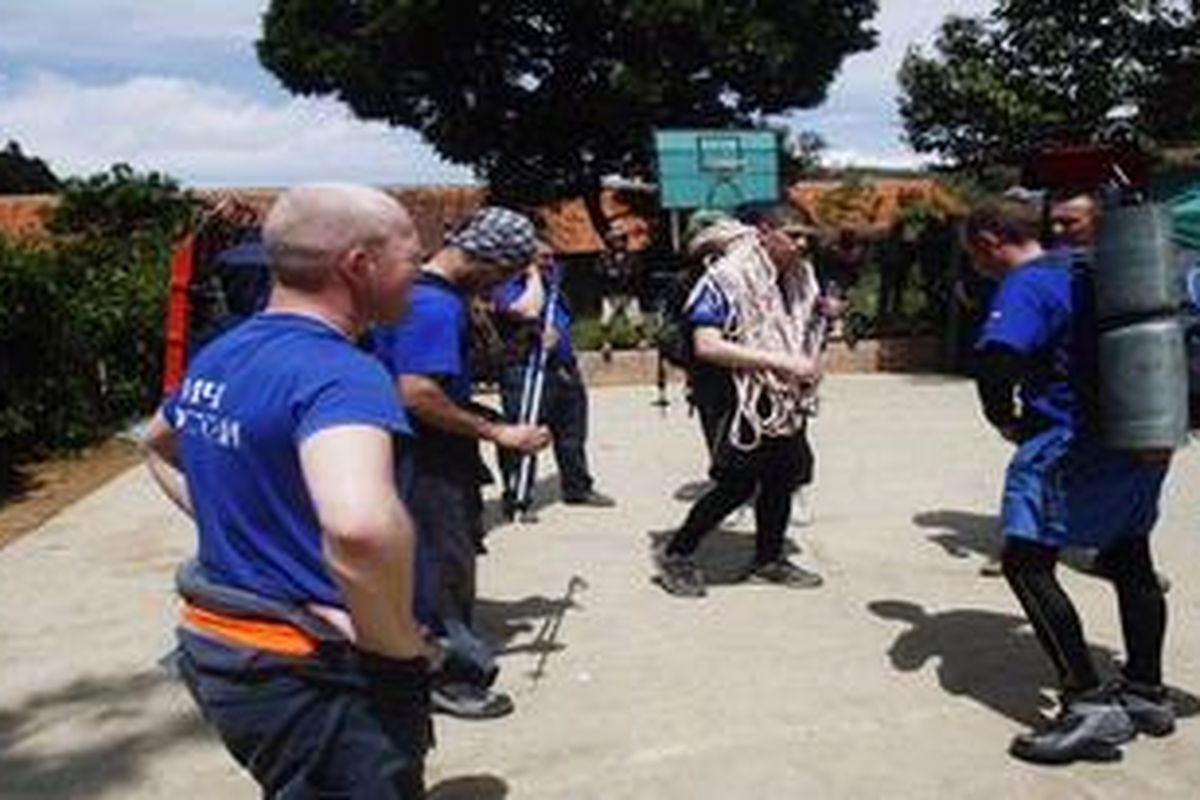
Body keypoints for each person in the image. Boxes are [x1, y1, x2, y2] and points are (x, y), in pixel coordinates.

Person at [142, 184, 435, 797]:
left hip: (223, 652)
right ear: (360, 265)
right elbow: (360, 528)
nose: (421, 273)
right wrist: (393, 644)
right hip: (310, 674)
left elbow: (157, 444)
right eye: (413, 258)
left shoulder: (224, 353)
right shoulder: (342, 374)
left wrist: (239, 528)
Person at [965, 197, 1175, 765]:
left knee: (1025, 562)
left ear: (989, 241)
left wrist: (1005, 418)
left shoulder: (1027, 284)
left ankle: (1087, 702)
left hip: (1066, 442)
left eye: (975, 255)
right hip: (1137, 435)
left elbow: (998, 359)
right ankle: (1146, 692)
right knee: (1130, 558)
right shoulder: (1093, 270)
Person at [373, 206, 551, 718]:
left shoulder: (415, 290)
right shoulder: (434, 306)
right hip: (426, 456)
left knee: (424, 560)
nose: (499, 286)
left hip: (407, 448)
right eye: (503, 274)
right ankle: (450, 676)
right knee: (441, 562)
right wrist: (500, 432)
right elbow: (417, 392)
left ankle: (422, 653)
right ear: (487, 261)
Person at [652, 202, 827, 598]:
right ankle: (676, 553)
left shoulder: (797, 279)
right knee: (737, 484)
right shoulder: (727, 278)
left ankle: (768, 559)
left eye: (807, 238)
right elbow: (708, 345)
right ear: (764, 232)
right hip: (732, 394)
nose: (802, 245)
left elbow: (800, 326)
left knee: (783, 477)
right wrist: (783, 362)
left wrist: (805, 359)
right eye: (793, 236)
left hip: (780, 395)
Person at [492, 238, 615, 518]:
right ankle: (518, 496)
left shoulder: (555, 286)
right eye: (542, 258)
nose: (549, 263)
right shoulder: (507, 284)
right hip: (526, 369)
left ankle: (577, 487)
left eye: (551, 257)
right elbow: (522, 310)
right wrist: (532, 276)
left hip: (563, 368)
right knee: (524, 430)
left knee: (572, 432)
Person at [597, 222, 644, 359]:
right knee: (606, 320)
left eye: (621, 239)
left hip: (628, 294)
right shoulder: (604, 258)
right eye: (615, 240)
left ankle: (641, 339)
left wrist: (632, 291)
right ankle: (606, 342)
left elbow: (637, 275)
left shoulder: (632, 258)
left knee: (636, 319)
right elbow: (600, 275)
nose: (618, 243)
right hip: (610, 294)